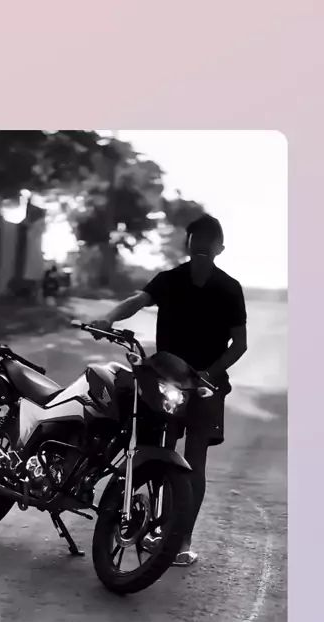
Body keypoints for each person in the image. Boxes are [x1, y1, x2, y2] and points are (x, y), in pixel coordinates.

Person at [90, 213, 248, 566]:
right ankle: (165, 533)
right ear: (195, 245)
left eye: (206, 241)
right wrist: (109, 318)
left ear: (215, 248)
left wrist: (207, 374)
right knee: (166, 457)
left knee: (186, 461)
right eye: (199, 240)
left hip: (201, 386)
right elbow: (138, 299)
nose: (202, 246)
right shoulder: (175, 280)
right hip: (172, 381)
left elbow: (239, 344)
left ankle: (180, 539)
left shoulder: (224, 287)